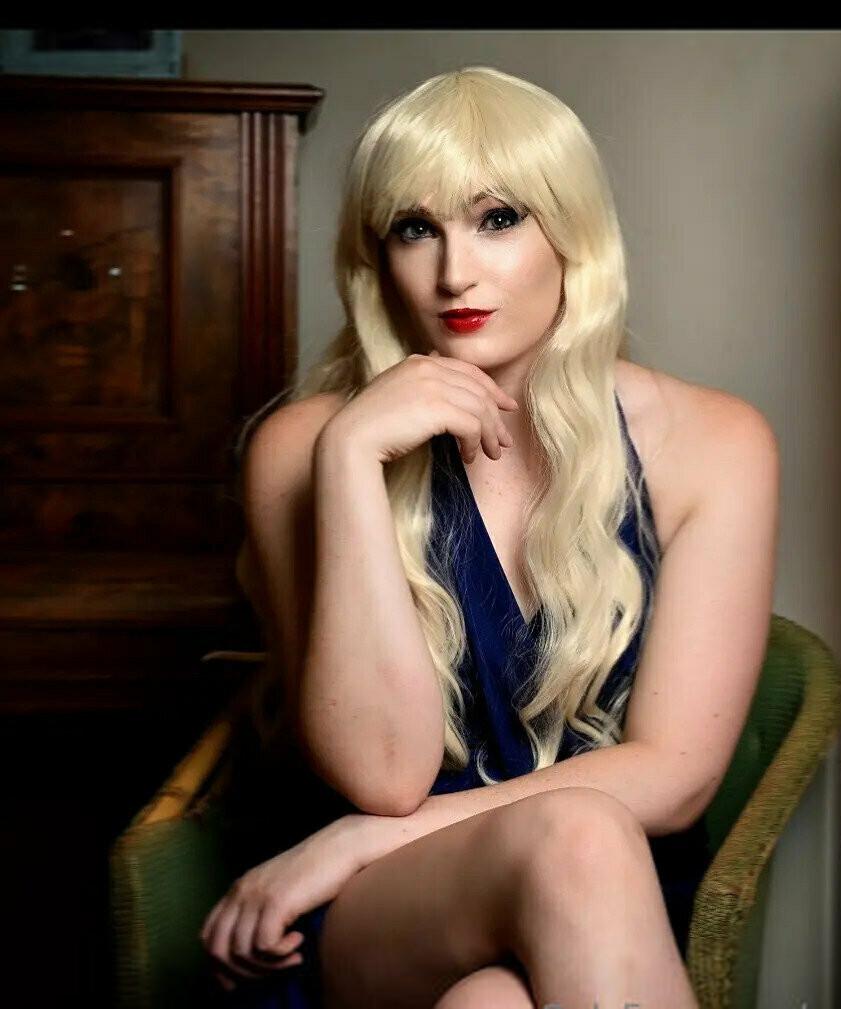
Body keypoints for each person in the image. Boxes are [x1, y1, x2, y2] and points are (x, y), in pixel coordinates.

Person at [199, 64, 779, 1009]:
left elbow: (674, 776)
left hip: (599, 901)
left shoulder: (715, 442)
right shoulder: (304, 447)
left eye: (498, 219)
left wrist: (362, 836)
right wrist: (351, 459)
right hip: (379, 911)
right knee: (575, 831)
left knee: (498, 996)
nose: (453, 273)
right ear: (377, 256)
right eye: (414, 228)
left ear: (572, 232)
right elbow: (381, 777)